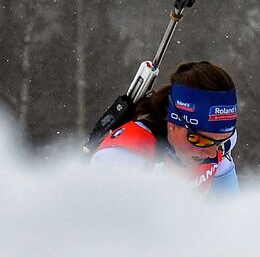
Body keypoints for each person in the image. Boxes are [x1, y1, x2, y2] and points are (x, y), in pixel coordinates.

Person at [90, 60, 239, 195]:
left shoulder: (219, 145)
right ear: (174, 124)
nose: (212, 152)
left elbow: (230, 215)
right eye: (200, 140)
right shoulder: (122, 158)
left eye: (220, 141)